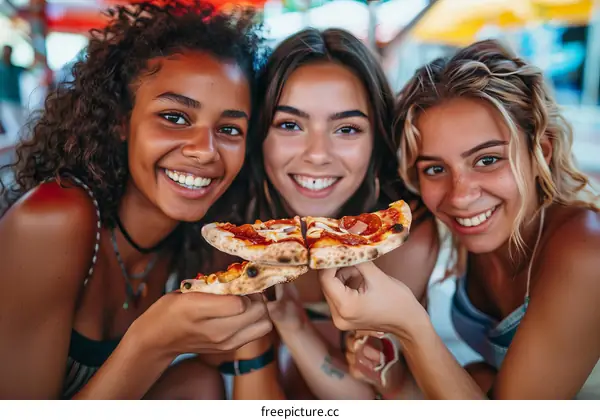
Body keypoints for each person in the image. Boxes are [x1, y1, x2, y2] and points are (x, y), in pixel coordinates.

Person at [0, 0, 273, 400]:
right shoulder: (54, 219)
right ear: (120, 121)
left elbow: (233, 363)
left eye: (229, 128)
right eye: (175, 117)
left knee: (199, 385)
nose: (205, 151)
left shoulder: (201, 242)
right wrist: (152, 341)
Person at [318, 39, 600, 400]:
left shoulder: (585, 249)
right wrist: (391, 372)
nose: (460, 196)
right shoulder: (479, 233)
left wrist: (411, 325)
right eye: (435, 168)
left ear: (539, 151)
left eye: (487, 160)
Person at [199, 28, 440, 400]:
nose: (317, 154)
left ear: (376, 139)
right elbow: (213, 362)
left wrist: (291, 324)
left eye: (347, 129)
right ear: (258, 132)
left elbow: (377, 397)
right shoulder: (232, 220)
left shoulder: (405, 233)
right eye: (290, 124)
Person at [0, 45, 26, 146]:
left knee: (20, 127)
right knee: (14, 129)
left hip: (17, 101)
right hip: (5, 102)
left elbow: (31, 68)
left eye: (9, 52)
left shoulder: (16, 68)